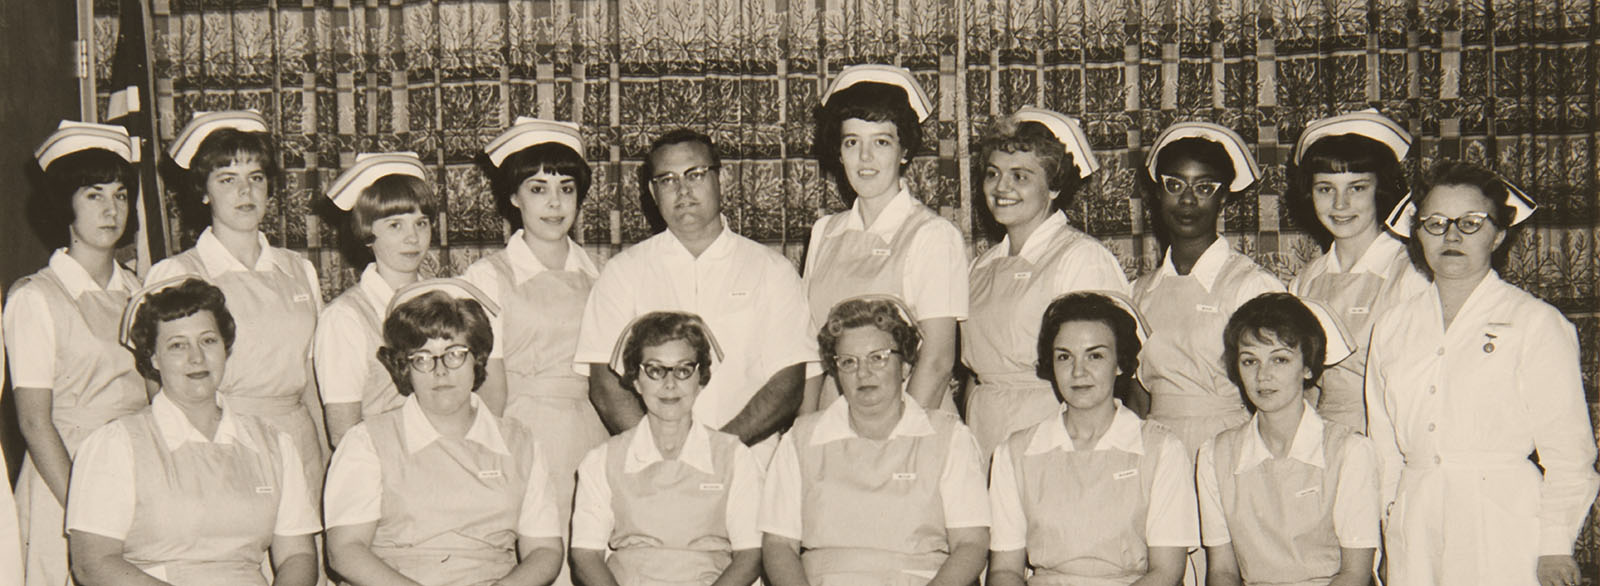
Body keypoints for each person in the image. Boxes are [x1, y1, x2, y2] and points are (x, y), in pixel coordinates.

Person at [1365, 161, 1599, 586]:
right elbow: (1384, 448)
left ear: (1499, 234)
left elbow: (1570, 454)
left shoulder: (1535, 322)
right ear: (1417, 233)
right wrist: (1388, 530)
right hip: (1415, 526)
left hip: (1504, 527)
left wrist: (1555, 544)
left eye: (1471, 223)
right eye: (1435, 223)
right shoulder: (1392, 326)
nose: (1451, 236)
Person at [573, 129, 814, 462]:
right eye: (667, 180)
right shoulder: (623, 272)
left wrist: (714, 452)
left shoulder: (772, 270)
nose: (683, 191)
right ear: (652, 193)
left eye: (695, 175)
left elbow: (788, 382)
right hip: (651, 469)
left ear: (722, 179)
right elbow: (604, 385)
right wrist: (662, 456)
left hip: (750, 463)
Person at [67, 277, 321, 585]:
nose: (196, 357)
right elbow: (93, 561)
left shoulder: (273, 443)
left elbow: (298, 555)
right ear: (154, 358)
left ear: (226, 349)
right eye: (177, 345)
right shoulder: (116, 445)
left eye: (208, 341)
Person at [323, 280, 564, 586]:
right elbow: (345, 550)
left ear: (477, 359)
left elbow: (544, 550)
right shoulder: (367, 442)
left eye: (454, 354)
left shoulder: (520, 442)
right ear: (404, 368)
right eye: (422, 358)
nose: (440, 371)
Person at [146, 110, 327, 492]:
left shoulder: (297, 269)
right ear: (203, 190)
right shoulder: (177, 274)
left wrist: (326, 454)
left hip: (299, 441)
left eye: (256, 178)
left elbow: (310, 375)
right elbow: (158, 382)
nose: (245, 192)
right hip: (223, 439)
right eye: (228, 179)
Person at [762, 296, 990, 586]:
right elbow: (778, 546)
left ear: (906, 366)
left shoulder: (949, 438)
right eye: (848, 362)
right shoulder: (801, 439)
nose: (863, 372)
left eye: (878, 357)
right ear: (836, 371)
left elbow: (971, 545)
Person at [6, 120, 148, 586]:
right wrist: (83, 510)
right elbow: (33, 422)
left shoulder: (141, 291)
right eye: (94, 195)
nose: (112, 210)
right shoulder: (36, 298)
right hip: (64, 482)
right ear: (64, 203)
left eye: (121, 194)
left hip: (135, 473)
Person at [464, 119, 605, 586]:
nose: (555, 203)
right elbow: (487, 386)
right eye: (538, 188)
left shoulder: (601, 276)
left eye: (566, 188)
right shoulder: (489, 277)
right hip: (521, 434)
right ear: (513, 196)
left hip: (591, 434)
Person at [987, 291, 1196, 586]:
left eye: (1095, 355)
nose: (1078, 371)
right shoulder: (1015, 452)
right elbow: (1004, 571)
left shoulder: (1162, 450)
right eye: (1064, 357)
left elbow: (1166, 572)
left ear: (1120, 363)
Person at [963, 107, 1130, 455]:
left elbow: (1107, 369)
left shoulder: (1080, 257)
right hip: (983, 428)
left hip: (1053, 432)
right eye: (993, 174)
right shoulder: (980, 267)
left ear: (1053, 187)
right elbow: (974, 373)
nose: (1001, 187)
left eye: (1020, 176)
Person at [803, 64, 967, 412]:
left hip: (911, 417)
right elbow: (811, 356)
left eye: (881, 142)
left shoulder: (932, 235)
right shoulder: (825, 232)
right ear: (839, 151)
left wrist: (896, 441)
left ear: (904, 151)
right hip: (833, 415)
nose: (865, 158)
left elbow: (937, 361)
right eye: (852, 143)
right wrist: (805, 433)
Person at [1198, 292, 1378, 586]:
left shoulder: (1349, 451)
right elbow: (1222, 572)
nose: (1263, 376)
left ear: (1308, 367)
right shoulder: (1214, 455)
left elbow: (1355, 574)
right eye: (1249, 361)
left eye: (1280, 360)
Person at [570, 312, 762, 586]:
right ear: (636, 380)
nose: (670, 384)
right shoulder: (602, 460)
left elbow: (750, 554)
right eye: (656, 370)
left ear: (701, 378)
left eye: (683, 370)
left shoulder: (734, 457)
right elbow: (586, 555)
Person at [1131, 121, 1285, 457]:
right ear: (1158, 194)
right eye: (1174, 185)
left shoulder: (1251, 285)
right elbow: (1137, 394)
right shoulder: (1138, 293)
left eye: (1204, 188)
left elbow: (1282, 388)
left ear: (1224, 198)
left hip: (1231, 445)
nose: (1187, 199)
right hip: (1155, 448)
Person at [1286, 111, 1429, 429]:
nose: (1340, 204)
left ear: (1381, 190)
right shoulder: (1305, 283)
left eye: (1357, 188)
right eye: (1325, 189)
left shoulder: (1411, 276)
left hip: (1391, 439)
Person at [315, 152, 439, 446]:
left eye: (421, 223)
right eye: (396, 225)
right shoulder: (345, 318)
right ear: (367, 234)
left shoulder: (443, 300)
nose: (413, 238)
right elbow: (343, 432)